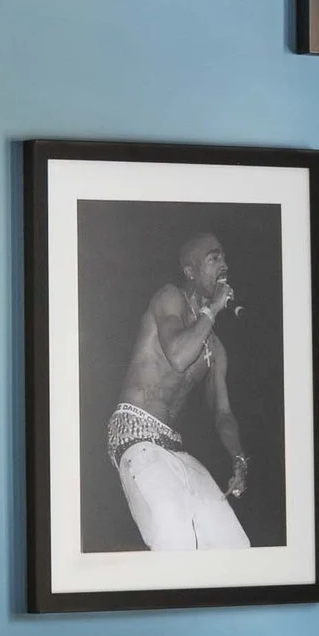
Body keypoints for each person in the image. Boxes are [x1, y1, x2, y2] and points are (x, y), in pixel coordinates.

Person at [105, 233, 249, 551]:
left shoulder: (215, 348)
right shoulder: (170, 298)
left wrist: (238, 458)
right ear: (190, 271)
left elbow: (223, 413)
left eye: (225, 258)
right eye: (214, 258)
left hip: (173, 446)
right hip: (135, 433)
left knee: (234, 545)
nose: (224, 265)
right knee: (174, 535)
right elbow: (179, 357)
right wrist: (213, 308)